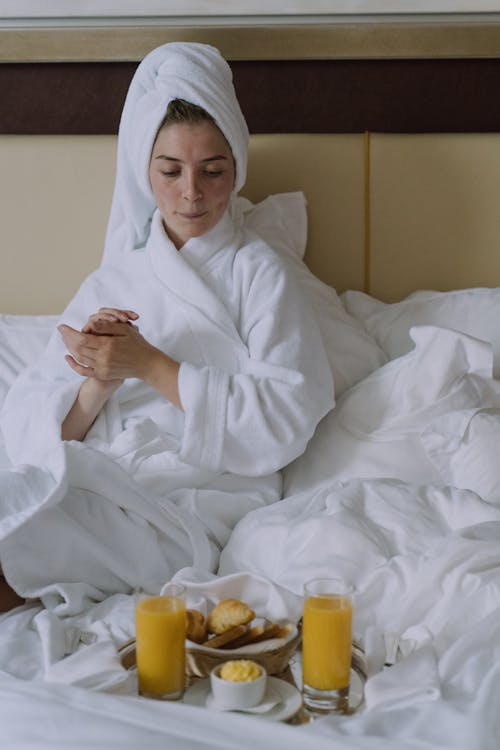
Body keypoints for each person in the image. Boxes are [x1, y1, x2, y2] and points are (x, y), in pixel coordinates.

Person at [0, 42, 334, 612]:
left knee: (30, 534)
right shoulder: (114, 279)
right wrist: (98, 384)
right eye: (170, 170)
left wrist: (150, 365)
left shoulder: (261, 275)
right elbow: (27, 430)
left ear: (237, 168)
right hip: (97, 474)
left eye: (213, 171)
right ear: (143, 169)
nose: (191, 193)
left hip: (189, 502)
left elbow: (286, 418)